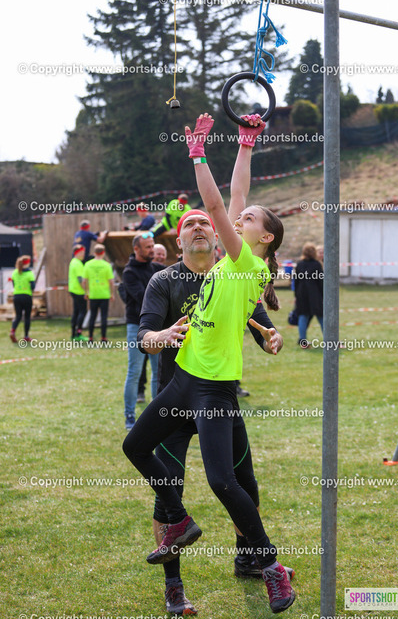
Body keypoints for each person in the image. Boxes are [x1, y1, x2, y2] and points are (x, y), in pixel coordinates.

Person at [123, 113, 295, 614]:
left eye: (249, 221)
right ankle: (178, 521)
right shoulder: (232, 259)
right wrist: (245, 143)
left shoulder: (245, 263)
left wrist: (197, 153)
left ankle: (269, 565)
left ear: (264, 239)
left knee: (224, 482)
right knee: (135, 445)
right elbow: (236, 196)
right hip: (183, 382)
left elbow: (219, 204)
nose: (237, 220)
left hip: (213, 389)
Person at [122, 232, 165, 430]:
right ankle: (130, 417)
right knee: (135, 372)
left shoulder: (156, 268)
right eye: (148, 247)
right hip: (136, 327)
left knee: (159, 373)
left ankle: (157, 417)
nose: (152, 250)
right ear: (136, 249)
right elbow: (144, 297)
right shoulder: (129, 272)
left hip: (158, 328)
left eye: (152, 246)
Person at [294, 242, 324, 348]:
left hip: (301, 294)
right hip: (314, 295)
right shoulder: (317, 265)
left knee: (303, 316)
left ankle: (302, 340)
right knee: (321, 316)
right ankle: (329, 339)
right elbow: (321, 282)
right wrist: (323, 295)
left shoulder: (299, 264)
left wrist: (296, 295)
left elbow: (296, 281)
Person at [82, 244, 115, 342]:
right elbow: (111, 282)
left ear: (94, 252)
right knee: (104, 317)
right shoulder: (107, 265)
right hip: (104, 294)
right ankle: (103, 337)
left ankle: (90, 337)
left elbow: (84, 281)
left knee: (92, 316)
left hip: (93, 294)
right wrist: (112, 293)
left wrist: (86, 292)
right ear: (103, 252)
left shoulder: (88, 264)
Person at [9, 255, 35, 343]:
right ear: (27, 264)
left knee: (18, 316)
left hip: (16, 296)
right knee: (27, 317)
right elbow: (33, 286)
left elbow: (13, 285)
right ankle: (26, 336)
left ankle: (12, 331)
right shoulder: (29, 273)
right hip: (26, 296)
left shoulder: (14, 273)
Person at [68, 245, 88, 341]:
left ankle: (73, 334)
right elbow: (80, 280)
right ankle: (78, 333)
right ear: (77, 253)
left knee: (76, 312)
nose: (84, 255)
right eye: (82, 253)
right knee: (82, 312)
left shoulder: (73, 262)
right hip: (79, 291)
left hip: (73, 290)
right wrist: (86, 291)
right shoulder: (78, 264)